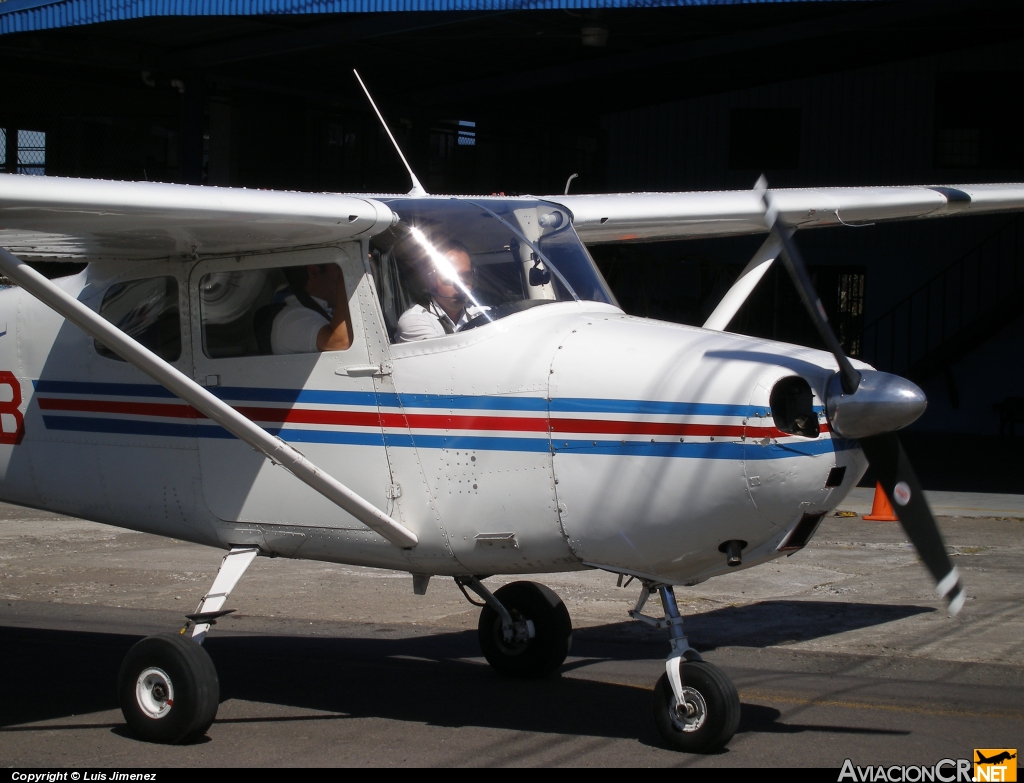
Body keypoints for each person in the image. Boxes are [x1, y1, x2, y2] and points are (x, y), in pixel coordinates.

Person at [395, 241, 485, 342]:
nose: (460, 285)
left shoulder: (482, 313)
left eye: (466, 276)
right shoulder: (414, 321)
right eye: (449, 277)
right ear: (430, 280)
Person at [271, 263, 352, 354]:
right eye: (339, 269)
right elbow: (340, 341)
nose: (348, 276)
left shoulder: (321, 312)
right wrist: (347, 280)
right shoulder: (291, 318)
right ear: (314, 273)